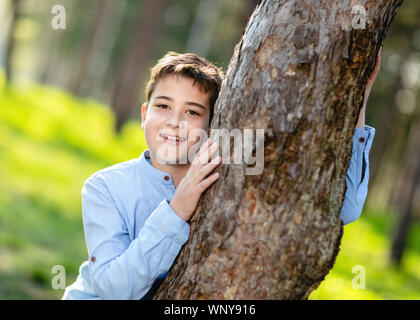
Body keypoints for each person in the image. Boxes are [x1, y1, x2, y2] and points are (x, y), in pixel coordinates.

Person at [62, 49, 380, 300]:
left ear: (212, 125)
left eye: (192, 112)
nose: (174, 121)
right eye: (163, 106)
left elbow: (343, 207)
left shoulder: (227, 174)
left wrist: (359, 98)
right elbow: (113, 290)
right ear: (145, 115)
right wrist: (177, 212)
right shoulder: (105, 187)